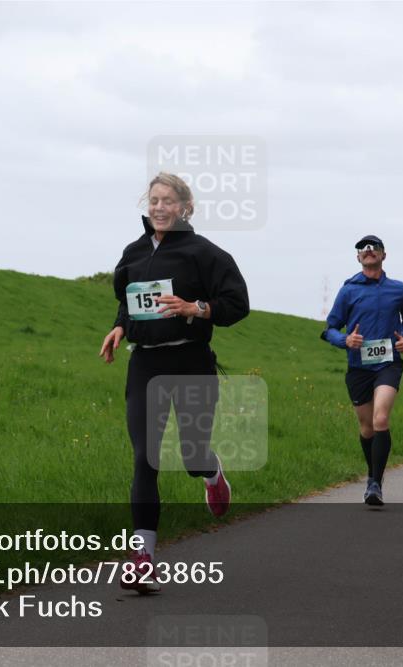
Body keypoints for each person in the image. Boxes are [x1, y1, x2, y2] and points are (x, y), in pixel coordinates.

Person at [100, 172, 249, 593]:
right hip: (146, 364)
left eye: (168, 201)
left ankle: (211, 473)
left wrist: (195, 307)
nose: (160, 207)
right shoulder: (133, 252)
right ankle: (144, 559)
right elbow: (128, 298)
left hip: (190, 361)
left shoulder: (205, 254)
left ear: (185, 207)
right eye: (154, 200)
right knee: (145, 457)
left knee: (191, 454)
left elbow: (237, 304)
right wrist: (120, 326)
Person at [321, 234, 403, 506]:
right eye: (363, 248)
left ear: (384, 255)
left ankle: (375, 483)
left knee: (381, 419)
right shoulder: (348, 290)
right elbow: (330, 328)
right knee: (366, 428)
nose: (368, 250)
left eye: (374, 247)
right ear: (358, 257)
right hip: (358, 367)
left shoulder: (399, 289)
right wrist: (345, 340)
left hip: (388, 363)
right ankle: (372, 474)